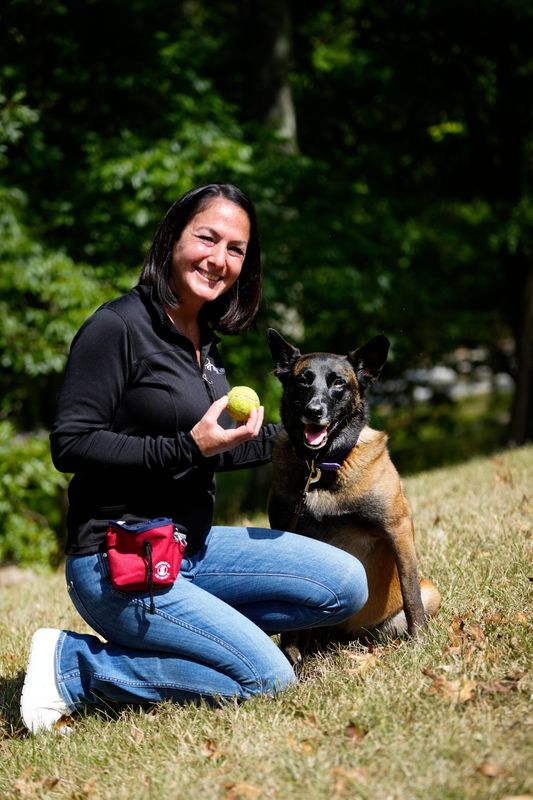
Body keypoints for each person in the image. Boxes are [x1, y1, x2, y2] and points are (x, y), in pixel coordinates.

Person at [20, 183, 368, 733]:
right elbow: (71, 443)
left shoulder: (203, 342)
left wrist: (300, 437)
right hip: (119, 557)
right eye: (207, 238)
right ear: (172, 238)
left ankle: (204, 638)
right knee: (268, 679)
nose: (219, 259)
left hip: (191, 549)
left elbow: (216, 447)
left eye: (236, 250)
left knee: (346, 584)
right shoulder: (117, 328)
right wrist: (188, 446)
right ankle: (75, 668)